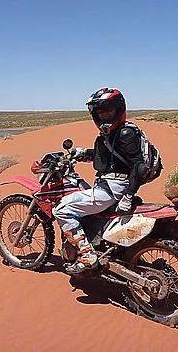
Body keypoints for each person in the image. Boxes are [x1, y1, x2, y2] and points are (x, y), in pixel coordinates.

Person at [52, 88, 148, 275]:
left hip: (114, 189)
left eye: (108, 111)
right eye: (100, 112)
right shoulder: (117, 133)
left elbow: (139, 166)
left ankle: (87, 255)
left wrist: (128, 195)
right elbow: (112, 158)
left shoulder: (125, 134)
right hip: (113, 185)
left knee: (61, 209)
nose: (104, 116)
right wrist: (83, 154)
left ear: (119, 109)